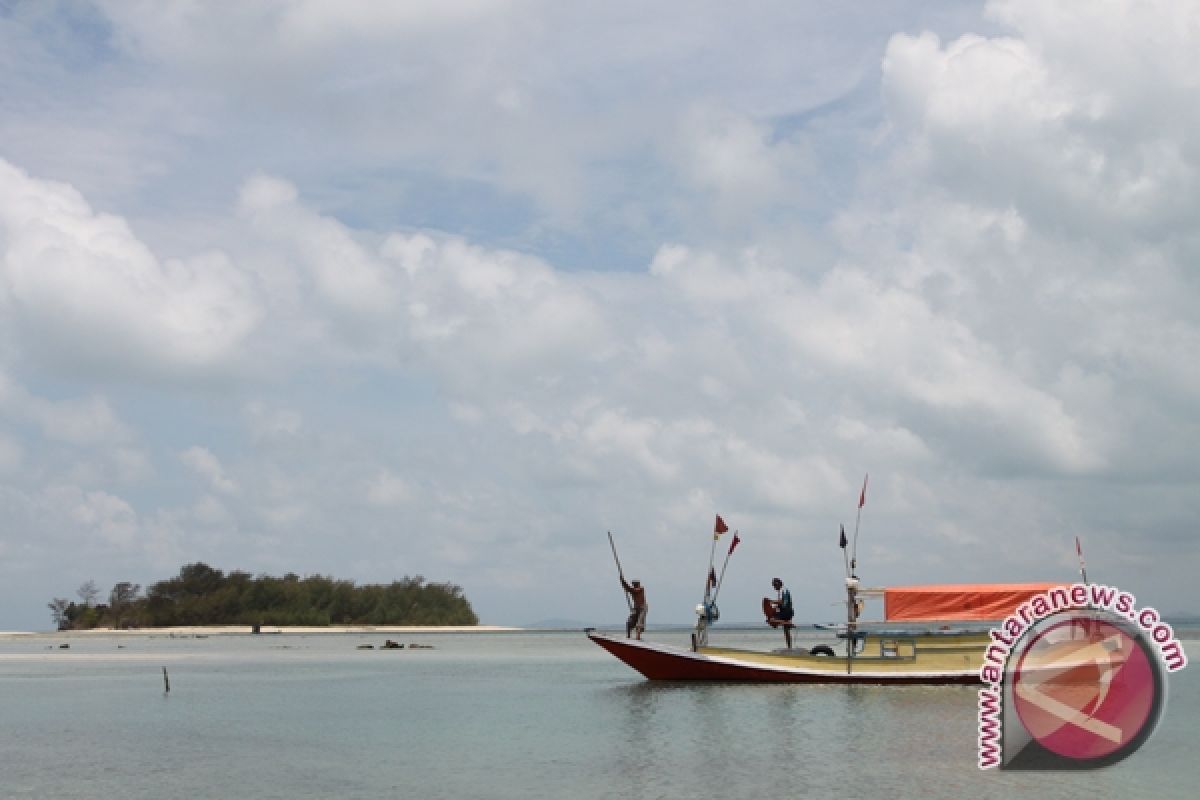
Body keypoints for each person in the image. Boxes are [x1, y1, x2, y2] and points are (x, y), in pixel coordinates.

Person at [765, 577, 795, 648]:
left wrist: (771, 601)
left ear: (778, 584)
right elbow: (781, 604)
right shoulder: (783, 590)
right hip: (788, 612)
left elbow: (781, 602)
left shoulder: (782, 590)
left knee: (771, 620)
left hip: (786, 612)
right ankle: (789, 647)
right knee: (786, 630)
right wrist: (775, 607)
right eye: (773, 586)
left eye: (774, 585)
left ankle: (787, 623)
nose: (774, 587)